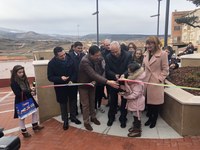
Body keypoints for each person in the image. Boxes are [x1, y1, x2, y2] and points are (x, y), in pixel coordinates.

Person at [78, 45, 119, 131]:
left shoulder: (97, 59)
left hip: (92, 84)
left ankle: (93, 117)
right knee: (85, 105)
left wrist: (97, 80)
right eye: (96, 55)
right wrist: (107, 82)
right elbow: (93, 74)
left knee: (92, 101)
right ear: (90, 54)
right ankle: (86, 122)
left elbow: (100, 71)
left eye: (99, 55)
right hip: (84, 85)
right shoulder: (85, 61)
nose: (98, 57)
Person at [47, 47, 81, 131]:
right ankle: (65, 120)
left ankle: (73, 117)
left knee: (73, 101)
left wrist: (72, 80)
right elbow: (50, 77)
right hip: (60, 87)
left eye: (64, 54)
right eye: (61, 56)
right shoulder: (51, 63)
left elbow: (75, 72)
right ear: (56, 56)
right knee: (63, 103)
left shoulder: (71, 58)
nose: (64, 56)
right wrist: (60, 78)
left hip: (71, 85)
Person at [10, 65, 44, 138]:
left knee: (34, 111)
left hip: (28, 97)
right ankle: (24, 131)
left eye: (22, 72)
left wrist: (31, 91)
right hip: (21, 100)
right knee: (22, 116)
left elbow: (27, 89)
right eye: (19, 72)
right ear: (15, 73)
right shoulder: (13, 82)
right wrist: (29, 91)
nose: (21, 74)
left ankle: (35, 125)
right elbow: (18, 93)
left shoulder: (25, 79)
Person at [143, 36, 169, 128]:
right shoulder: (146, 53)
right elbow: (144, 68)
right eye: (147, 44)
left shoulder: (163, 54)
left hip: (156, 83)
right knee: (148, 102)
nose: (148, 46)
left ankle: (154, 120)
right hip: (146, 81)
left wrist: (159, 79)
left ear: (156, 44)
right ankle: (150, 118)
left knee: (155, 104)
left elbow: (166, 69)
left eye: (150, 43)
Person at [105, 41, 132, 128]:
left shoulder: (128, 55)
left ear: (120, 48)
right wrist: (114, 75)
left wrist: (124, 74)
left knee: (124, 101)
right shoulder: (108, 57)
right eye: (113, 52)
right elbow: (107, 70)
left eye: (116, 51)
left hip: (124, 81)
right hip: (113, 81)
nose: (115, 54)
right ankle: (111, 117)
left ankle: (123, 118)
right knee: (112, 100)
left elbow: (130, 67)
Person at [119, 62, 145, 137]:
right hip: (135, 102)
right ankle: (135, 127)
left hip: (137, 103)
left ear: (135, 72)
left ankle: (137, 131)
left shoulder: (137, 82)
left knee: (137, 118)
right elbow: (131, 89)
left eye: (129, 72)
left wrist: (125, 96)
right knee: (135, 116)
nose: (128, 73)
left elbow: (135, 94)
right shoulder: (134, 79)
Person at [68, 41, 85, 115]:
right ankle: (74, 113)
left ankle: (83, 110)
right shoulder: (69, 56)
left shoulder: (84, 55)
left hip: (82, 80)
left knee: (83, 97)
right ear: (74, 48)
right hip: (73, 80)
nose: (80, 50)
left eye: (81, 48)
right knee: (73, 98)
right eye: (78, 48)